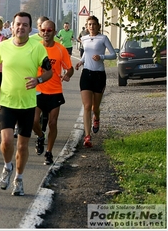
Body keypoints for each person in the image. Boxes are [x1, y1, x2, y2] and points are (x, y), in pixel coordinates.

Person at [0, 12, 52, 196]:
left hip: (27, 103)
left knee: (22, 146)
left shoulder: (38, 48)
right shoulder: (3, 46)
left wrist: (38, 79)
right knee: (7, 140)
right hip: (7, 100)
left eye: (25, 25)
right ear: (12, 27)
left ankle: (19, 178)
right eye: (18, 24)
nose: (21, 27)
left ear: (30, 28)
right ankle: (7, 166)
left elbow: (49, 72)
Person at [32, 20, 74, 165]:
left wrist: (68, 74)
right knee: (34, 121)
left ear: (55, 32)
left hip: (55, 90)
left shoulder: (60, 49)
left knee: (52, 122)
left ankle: (49, 153)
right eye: (43, 30)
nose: (46, 33)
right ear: (40, 31)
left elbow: (70, 68)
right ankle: (40, 136)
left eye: (49, 30)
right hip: (38, 90)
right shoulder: (35, 48)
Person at [75, 15, 116, 147]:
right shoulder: (84, 39)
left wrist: (101, 56)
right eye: (89, 24)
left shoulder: (103, 38)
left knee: (95, 107)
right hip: (86, 74)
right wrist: (80, 62)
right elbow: (85, 54)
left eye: (94, 24)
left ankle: (96, 118)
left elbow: (113, 54)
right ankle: (87, 137)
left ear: (98, 26)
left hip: (99, 75)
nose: (92, 26)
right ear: (86, 27)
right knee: (87, 106)